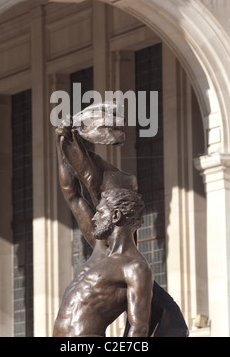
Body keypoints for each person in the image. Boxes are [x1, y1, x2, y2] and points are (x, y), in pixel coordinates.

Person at [53, 124, 189, 337]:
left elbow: (139, 328)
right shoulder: (100, 248)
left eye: (101, 211)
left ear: (116, 216)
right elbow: (73, 196)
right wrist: (62, 149)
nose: (94, 216)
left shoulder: (135, 268)